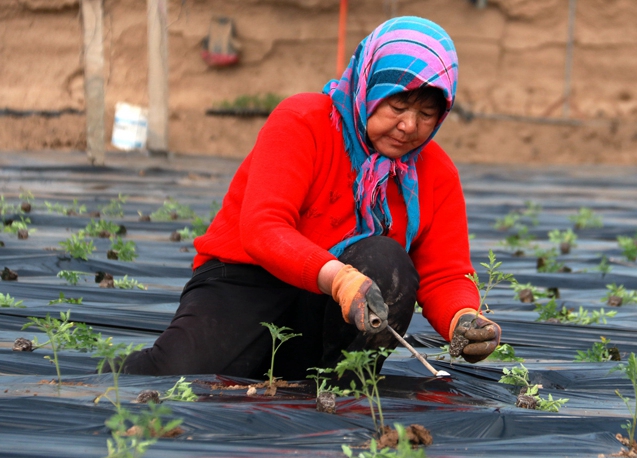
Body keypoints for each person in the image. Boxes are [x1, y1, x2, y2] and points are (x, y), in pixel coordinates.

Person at [121, 16, 501, 379]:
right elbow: (263, 229)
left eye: (427, 114)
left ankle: (341, 398)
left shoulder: (434, 172)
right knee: (177, 379)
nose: (409, 126)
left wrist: (461, 319)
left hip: (331, 310)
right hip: (247, 283)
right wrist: (338, 278)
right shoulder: (304, 121)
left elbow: (444, 273)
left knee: (386, 261)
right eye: (397, 106)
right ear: (368, 87)